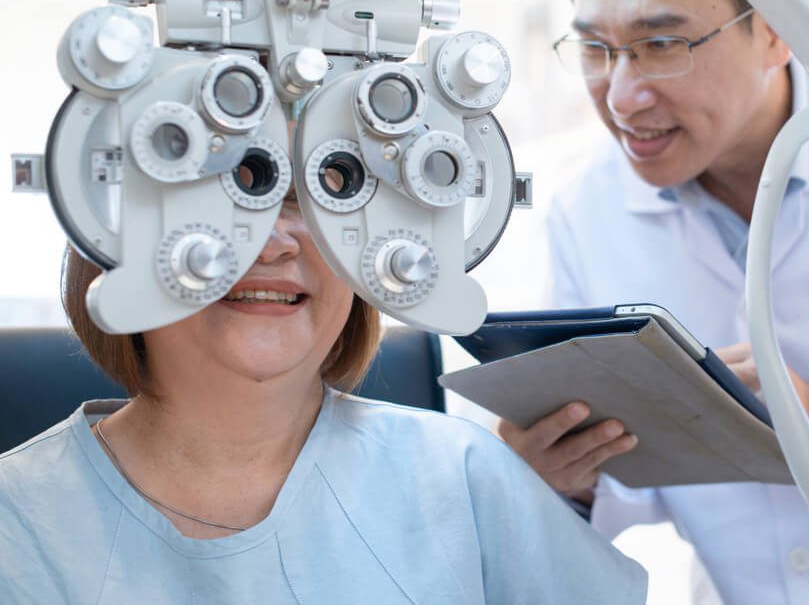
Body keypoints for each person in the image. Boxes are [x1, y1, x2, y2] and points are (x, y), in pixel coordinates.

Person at [498, 0, 809, 603]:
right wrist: (561, 475)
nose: (622, 97)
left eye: (661, 43)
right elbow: (631, 492)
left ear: (777, 28)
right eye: (595, 49)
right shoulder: (586, 215)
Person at [0, 182, 647, 603]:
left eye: (321, 194)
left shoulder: (466, 476)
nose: (275, 241)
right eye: (221, 193)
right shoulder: (20, 522)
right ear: (114, 231)